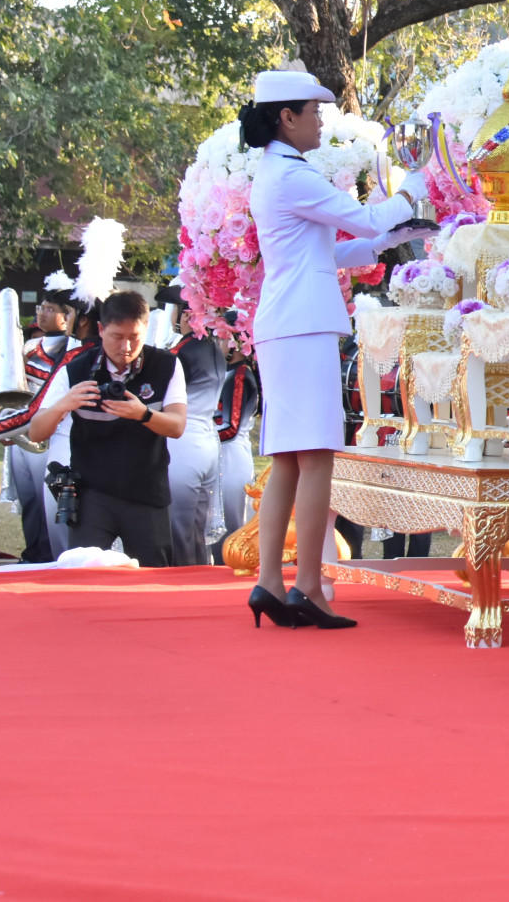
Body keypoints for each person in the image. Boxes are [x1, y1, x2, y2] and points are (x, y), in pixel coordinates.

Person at [241, 69, 430, 629]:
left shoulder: (279, 172)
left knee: (288, 461)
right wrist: (413, 184)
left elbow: (332, 253)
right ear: (286, 118)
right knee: (317, 453)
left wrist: (391, 238)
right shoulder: (291, 175)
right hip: (301, 327)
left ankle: (272, 582)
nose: (321, 120)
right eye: (313, 112)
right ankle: (304, 586)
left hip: (289, 322)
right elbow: (367, 216)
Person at [26, 290, 187, 564]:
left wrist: (144, 414)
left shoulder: (167, 365)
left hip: (146, 491)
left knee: (154, 579)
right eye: (117, 336)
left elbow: (177, 426)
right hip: (92, 493)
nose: (125, 346)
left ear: (145, 329)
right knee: (83, 575)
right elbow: (36, 432)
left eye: (134, 337)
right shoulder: (76, 369)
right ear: (101, 330)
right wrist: (65, 404)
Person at [0, 274, 83, 561]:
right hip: (23, 426)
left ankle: (50, 554)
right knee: (30, 499)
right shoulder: (28, 349)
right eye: (41, 307)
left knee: (47, 495)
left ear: (66, 317)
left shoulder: (74, 351)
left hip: (49, 430)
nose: (42, 313)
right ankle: (33, 551)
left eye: (51, 309)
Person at [162, 289, 227, 565]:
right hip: (208, 441)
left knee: (179, 529)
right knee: (196, 529)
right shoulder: (216, 349)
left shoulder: (178, 353)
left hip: (183, 441)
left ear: (187, 314)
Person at [210, 325, 259, 562]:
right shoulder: (229, 372)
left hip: (231, 455)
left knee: (233, 521)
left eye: (221, 339)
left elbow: (231, 426)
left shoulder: (240, 374)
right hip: (221, 452)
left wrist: (199, 434)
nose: (217, 344)